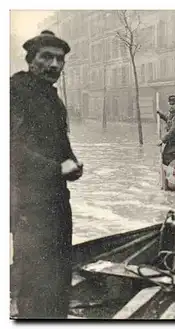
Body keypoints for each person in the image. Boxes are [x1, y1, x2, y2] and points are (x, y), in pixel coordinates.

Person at [10, 30, 83, 319]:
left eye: (60, 59)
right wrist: (56, 168)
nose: (54, 65)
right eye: (47, 57)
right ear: (31, 60)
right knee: (34, 276)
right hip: (26, 200)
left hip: (56, 200)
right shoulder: (15, 90)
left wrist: (73, 164)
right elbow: (12, 149)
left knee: (59, 272)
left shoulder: (53, 98)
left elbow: (61, 146)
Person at [157, 95, 175, 170]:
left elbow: (173, 130)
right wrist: (161, 115)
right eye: (170, 104)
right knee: (165, 158)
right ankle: (167, 177)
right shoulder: (171, 113)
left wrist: (162, 140)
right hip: (171, 142)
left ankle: (172, 177)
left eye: (173, 104)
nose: (171, 106)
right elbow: (169, 120)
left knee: (169, 158)